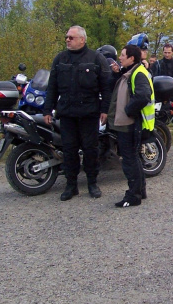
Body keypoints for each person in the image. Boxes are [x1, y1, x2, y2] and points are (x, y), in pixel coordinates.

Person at [44, 25, 112, 201]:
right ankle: (71, 186)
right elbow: (52, 87)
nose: (67, 39)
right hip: (67, 113)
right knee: (69, 151)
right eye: (66, 37)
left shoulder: (96, 58)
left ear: (82, 39)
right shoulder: (60, 59)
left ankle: (92, 183)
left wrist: (105, 109)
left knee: (90, 150)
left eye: (71, 37)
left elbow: (106, 87)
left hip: (89, 113)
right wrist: (47, 109)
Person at [107, 44, 154, 207]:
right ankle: (140, 191)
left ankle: (133, 195)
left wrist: (128, 111)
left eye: (122, 55)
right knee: (133, 158)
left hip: (131, 124)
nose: (120, 57)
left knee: (129, 160)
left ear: (131, 58)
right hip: (130, 123)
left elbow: (143, 96)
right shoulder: (132, 72)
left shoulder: (138, 74)